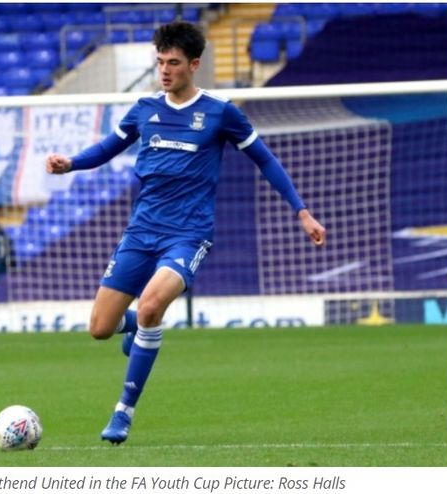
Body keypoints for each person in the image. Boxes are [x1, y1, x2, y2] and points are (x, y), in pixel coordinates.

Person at [46, 21, 326, 445]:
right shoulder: (144, 109)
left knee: (153, 305)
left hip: (189, 234)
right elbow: (107, 148)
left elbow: (265, 160)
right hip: (141, 231)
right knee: (100, 328)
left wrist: (301, 211)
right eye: (159, 61)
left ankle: (123, 411)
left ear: (194, 65)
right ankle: (137, 327)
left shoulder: (219, 112)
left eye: (173, 62)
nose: (164, 70)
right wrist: (71, 163)